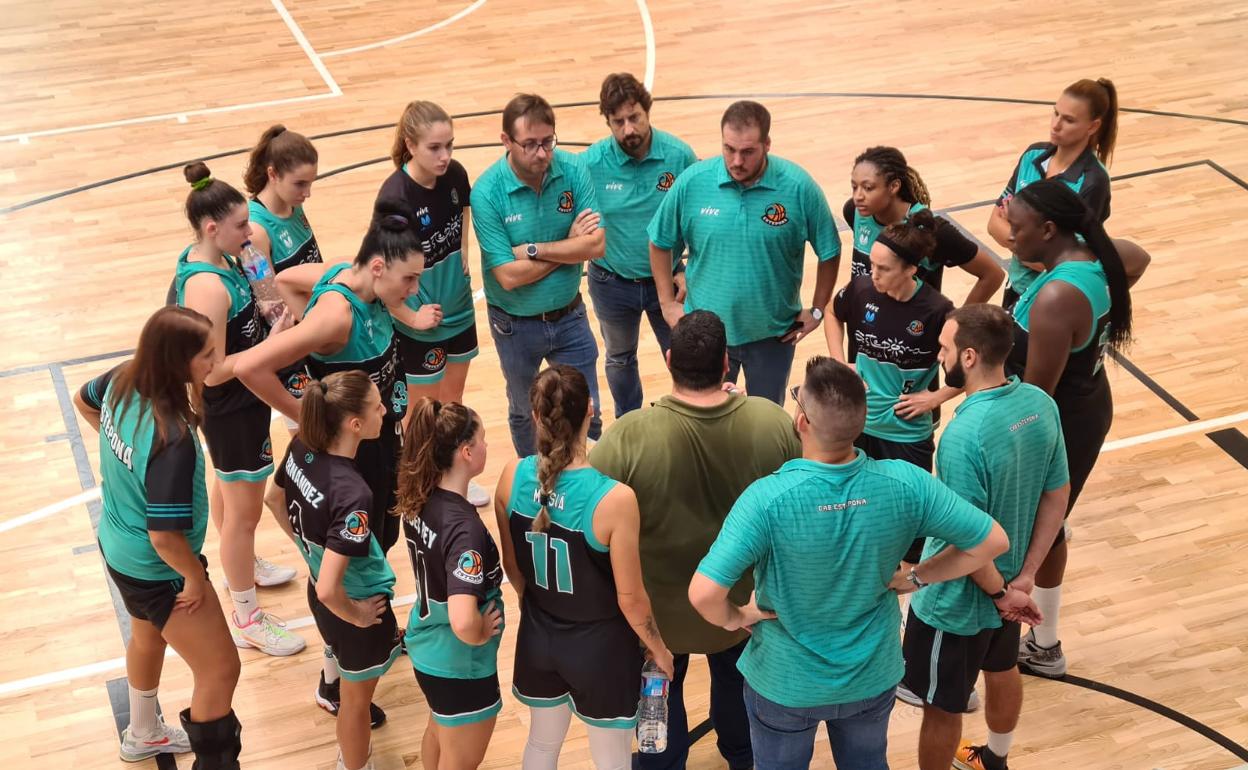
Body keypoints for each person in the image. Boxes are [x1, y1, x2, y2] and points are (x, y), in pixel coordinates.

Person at [689, 356, 1008, 770]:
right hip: (870, 676)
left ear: (802, 421)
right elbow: (991, 541)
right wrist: (917, 577)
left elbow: (704, 594)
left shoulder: (766, 499)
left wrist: (736, 617)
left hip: (785, 683)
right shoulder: (905, 482)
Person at [237, 198, 422, 724]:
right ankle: (333, 679)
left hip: (379, 445)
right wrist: (306, 412)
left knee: (379, 546)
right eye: (408, 281)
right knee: (352, 564)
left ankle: (363, 642)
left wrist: (285, 303)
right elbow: (251, 366)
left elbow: (291, 280)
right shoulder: (338, 315)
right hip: (350, 459)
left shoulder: (347, 275)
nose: (413, 293)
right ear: (379, 267)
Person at [589, 310, 799, 770]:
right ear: (727, 364)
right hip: (740, 609)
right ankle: (742, 757)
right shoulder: (772, 421)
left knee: (660, 702)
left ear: (668, 360)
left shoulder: (626, 437)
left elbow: (587, 519)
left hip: (657, 619)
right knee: (737, 689)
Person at [898, 304, 1070, 770]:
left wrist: (997, 594)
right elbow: (1057, 496)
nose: (938, 355)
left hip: (957, 604)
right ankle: (995, 760)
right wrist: (1024, 579)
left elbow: (968, 541)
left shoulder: (963, 436)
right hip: (1011, 586)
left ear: (969, 357)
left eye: (945, 348)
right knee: (1002, 668)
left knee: (940, 708)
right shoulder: (1040, 404)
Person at [73, 306, 242, 768]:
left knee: (148, 637)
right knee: (221, 669)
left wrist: (123, 462)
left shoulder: (126, 376)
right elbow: (166, 538)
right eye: (206, 355)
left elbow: (82, 399)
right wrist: (192, 578)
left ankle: (144, 731)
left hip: (117, 545)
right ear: (176, 362)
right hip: (156, 565)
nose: (215, 361)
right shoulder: (171, 438)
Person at [494, 365, 675, 770]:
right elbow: (631, 599)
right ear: (590, 411)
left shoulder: (510, 476)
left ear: (536, 417)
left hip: (540, 635)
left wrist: (542, 607)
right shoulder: (614, 499)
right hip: (602, 649)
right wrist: (659, 649)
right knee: (611, 758)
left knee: (541, 744)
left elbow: (513, 568)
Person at [1003, 178, 1133, 678]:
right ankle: (1046, 642)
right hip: (1086, 406)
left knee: (1035, 529)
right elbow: (1135, 256)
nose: (1010, 237)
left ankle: (1033, 641)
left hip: (1059, 422)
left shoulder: (1058, 296)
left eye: (1017, 228)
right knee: (1049, 525)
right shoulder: (1086, 265)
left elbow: (1033, 399)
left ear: (1049, 228)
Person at [174, 161, 305, 657]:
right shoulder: (206, 287)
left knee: (231, 491)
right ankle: (247, 615)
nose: (250, 232)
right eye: (241, 226)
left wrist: (267, 288)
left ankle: (242, 565)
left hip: (239, 402)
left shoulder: (227, 257)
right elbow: (212, 370)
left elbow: (267, 294)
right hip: (229, 404)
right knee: (244, 513)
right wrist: (268, 346)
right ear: (212, 229)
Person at [649, 100, 840, 405]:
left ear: (767, 144)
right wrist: (666, 303)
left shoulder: (798, 187)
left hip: (773, 337)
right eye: (729, 149)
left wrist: (817, 310)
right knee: (704, 420)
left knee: (765, 417)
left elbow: (829, 251)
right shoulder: (693, 182)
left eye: (748, 151)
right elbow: (659, 241)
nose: (736, 161)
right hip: (705, 335)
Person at [264, 371, 400, 770]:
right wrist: (357, 614)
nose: (386, 411)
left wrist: (310, 553)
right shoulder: (353, 494)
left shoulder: (302, 445)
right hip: (351, 604)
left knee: (344, 676)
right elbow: (330, 592)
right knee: (355, 705)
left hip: (319, 588)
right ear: (354, 425)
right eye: (378, 406)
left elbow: (273, 500)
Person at [471, 93, 606, 455]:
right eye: (530, 144)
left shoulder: (573, 169)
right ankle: (532, 481)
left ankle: (586, 479)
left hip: (570, 316)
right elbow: (508, 276)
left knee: (587, 408)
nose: (542, 153)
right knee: (523, 408)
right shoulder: (487, 193)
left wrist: (536, 249)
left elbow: (595, 246)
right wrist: (568, 246)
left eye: (548, 141)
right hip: (515, 325)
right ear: (506, 142)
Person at [827, 211, 956, 568]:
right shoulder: (862, 289)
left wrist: (936, 396)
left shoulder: (936, 311)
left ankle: (909, 587)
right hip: (859, 422)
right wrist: (839, 360)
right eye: (872, 265)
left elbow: (972, 362)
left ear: (911, 269)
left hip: (906, 430)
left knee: (910, 511)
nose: (874, 274)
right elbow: (833, 312)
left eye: (883, 269)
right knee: (852, 501)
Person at [378, 100, 491, 507]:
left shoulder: (456, 174)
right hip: (419, 324)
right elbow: (380, 275)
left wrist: (462, 254)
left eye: (450, 145)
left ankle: (451, 478)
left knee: (453, 403)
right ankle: (419, 489)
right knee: (421, 415)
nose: (445, 156)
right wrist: (410, 315)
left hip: (458, 309)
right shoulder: (395, 198)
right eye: (434, 148)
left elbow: (461, 213)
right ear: (410, 145)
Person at [395, 398, 504, 770]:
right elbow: (462, 620)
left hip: (427, 647)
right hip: (460, 664)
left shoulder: (421, 494)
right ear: (467, 451)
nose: (488, 447)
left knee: (438, 733)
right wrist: (478, 632)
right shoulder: (464, 529)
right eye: (484, 439)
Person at [582, 72, 698, 416]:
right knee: (619, 358)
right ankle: (629, 420)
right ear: (608, 122)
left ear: (648, 111)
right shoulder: (590, 164)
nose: (628, 129)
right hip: (611, 282)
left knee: (685, 356)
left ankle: (690, 418)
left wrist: (688, 267)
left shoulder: (679, 157)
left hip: (670, 283)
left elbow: (701, 220)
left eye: (635, 118)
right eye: (618, 122)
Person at [987, 78, 1117, 309]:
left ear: (1093, 126)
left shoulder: (1093, 181)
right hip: (1017, 287)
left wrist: (1013, 238)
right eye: (1055, 113)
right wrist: (1031, 244)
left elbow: (1069, 263)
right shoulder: (1032, 156)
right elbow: (993, 223)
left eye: (1068, 120)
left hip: (1055, 299)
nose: (1056, 125)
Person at [843, 146, 1003, 303]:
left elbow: (992, 275)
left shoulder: (933, 231)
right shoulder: (854, 212)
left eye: (868, 188)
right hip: (867, 324)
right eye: (854, 187)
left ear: (894, 186)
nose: (858, 196)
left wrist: (958, 325)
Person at [243, 124, 322, 273]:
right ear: (273, 174)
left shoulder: (293, 203)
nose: (307, 193)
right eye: (300, 184)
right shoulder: (255, 232)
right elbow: (267, 295)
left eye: (311, 182)